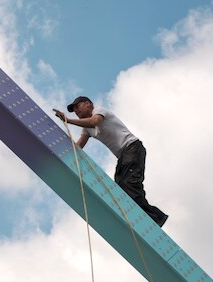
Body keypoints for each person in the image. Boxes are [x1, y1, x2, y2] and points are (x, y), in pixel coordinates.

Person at [54, 96, 168, 227]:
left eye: (77, 107)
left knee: (129, 184)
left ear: (88, 104)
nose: (76, 111)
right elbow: (78, 147)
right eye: (74, 110)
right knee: (121, 188)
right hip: (123, 156)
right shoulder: (86, 129)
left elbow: (94, 122)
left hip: (132, 148)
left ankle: (155, 218)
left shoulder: (99, 111)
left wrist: (68, 120)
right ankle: (153, 217)